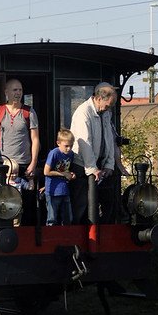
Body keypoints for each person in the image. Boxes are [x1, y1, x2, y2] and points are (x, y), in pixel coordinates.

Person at [69, 82, 116, 224]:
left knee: (109, 199)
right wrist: (91, 168)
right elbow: (84, 141)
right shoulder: (83, 112)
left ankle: (103, 233)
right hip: (81, 165)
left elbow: (109, 138)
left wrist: (109, 164)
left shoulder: (105, 112)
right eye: (108, 105)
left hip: (100, 164)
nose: (109, 108)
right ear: (99, 98)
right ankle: (77, 237)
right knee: (81, 204)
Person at [0, 79, 40, 178]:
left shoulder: (29, 112)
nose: (18, 93)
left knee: (24, 192)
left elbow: (35, 139)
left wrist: (33, 163)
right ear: (6, 92)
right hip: (3, 163)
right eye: (15, 90)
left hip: (24, 164)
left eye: (20, 90)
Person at [44, 129, 76, 226]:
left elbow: (67, 169)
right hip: (53, 191)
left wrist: (71, 174)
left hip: (64, 189)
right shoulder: (54, 153)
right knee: (52, 218)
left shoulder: (71, 154)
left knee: (67, 217)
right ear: (58, 143)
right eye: (66, 146)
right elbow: (46, 171)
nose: (69, 149)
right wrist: (64, 174)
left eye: (71, 146)